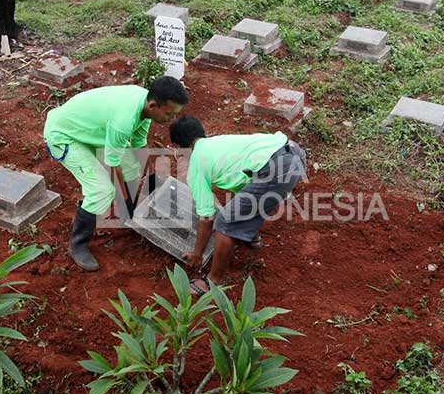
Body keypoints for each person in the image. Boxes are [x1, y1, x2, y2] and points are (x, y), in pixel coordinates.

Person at [43, 78, 189, 271]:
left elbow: (138, 145)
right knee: (102, 190)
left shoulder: (145, 107)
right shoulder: (124, 120)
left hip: (90, 131)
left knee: (131, 165)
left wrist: (153, 178)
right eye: (169, 113)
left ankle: (128, 215)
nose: (171, 118)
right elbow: (114, 166)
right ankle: (78, 244)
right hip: (64, 135)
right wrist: (126, 198)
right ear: (153, 105)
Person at [169, 117, 307, 293]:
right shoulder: (219, 142)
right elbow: (244, 186)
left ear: (180, 146)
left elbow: (206, 216)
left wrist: (197, 255)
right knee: (247, 198)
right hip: (295, 153)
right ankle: (253, 238)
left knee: (224, 224)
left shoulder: (197, 162)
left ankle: (212, 282)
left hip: (277, 169)